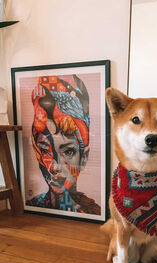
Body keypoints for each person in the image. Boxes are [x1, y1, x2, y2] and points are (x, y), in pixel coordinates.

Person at [26, 74, 101, 215]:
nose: (54, 167)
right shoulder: (30, 205)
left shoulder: (94, 213)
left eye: (68, 152)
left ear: (83, 157)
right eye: (45, 151)